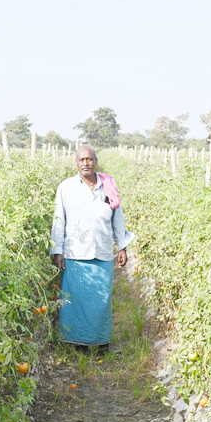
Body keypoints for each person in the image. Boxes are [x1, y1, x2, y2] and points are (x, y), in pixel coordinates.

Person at [50, 145, 134, 347]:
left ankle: (99, 342)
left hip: (102, 252)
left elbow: (118, 219)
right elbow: (58, 220)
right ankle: (73, 342)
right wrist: (58, 250)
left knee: (100, 300)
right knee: (74, 300)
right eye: (81, 160)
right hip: (75, 253)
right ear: (76, 163)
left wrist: (121, 247)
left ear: (95, 161)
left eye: (89, 159)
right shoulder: (66, 187)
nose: (85, 163)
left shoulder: (108, 187)